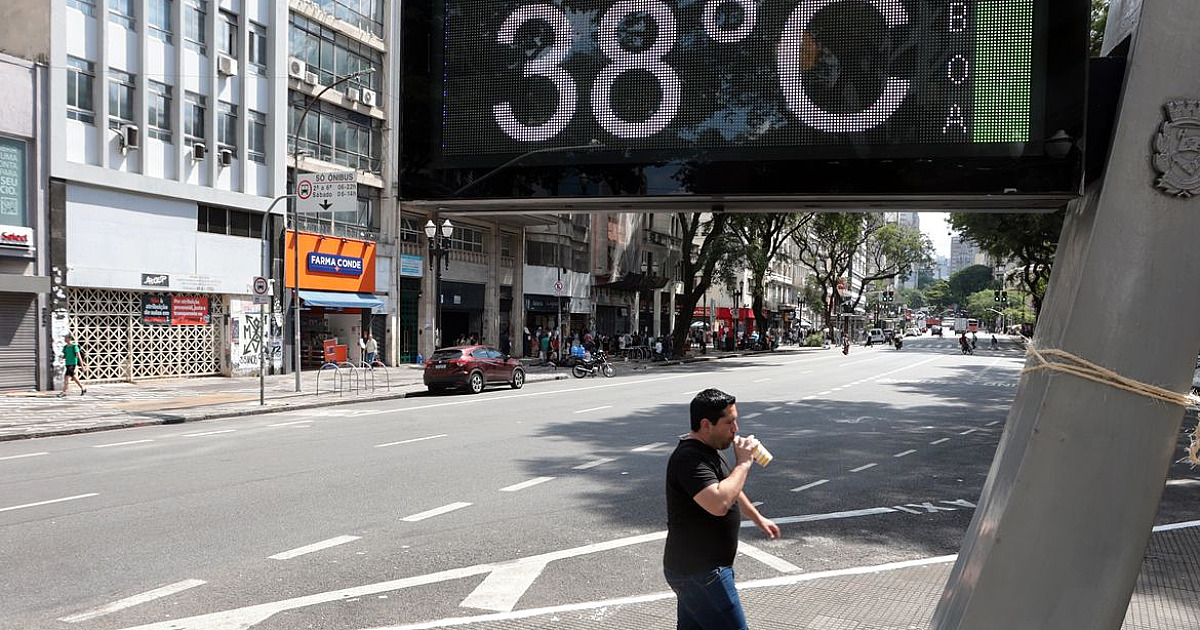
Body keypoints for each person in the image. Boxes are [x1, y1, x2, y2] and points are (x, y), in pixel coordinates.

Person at [664, 388, 779, 630]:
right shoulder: (690, 459)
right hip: (702, 574)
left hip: (697, 571)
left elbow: (730, 488)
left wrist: (758, 518)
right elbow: (719, 503)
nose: (735, 429)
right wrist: (744, 464)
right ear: (706, 424)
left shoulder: (709, 451)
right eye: (729, 422)